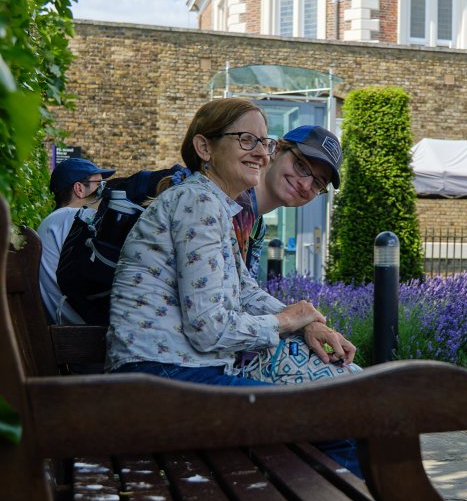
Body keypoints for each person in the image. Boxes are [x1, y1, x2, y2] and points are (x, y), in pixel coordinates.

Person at [106, 98, 358, 385]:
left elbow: (244, 292)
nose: (261, 153)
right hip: (162, 374)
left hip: (179, 370)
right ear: (205, 148)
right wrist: (287, 320)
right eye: (246, 140)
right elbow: (208, 328)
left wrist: (307, 322)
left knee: (336, 396)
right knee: (324, 403)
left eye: (263, 142)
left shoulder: (217, 205)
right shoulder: (197, 202)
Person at [232, 124, 342, 278]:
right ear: (276, 150)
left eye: (317, 183)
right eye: (301, 166)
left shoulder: (257, 225)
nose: (305, 185)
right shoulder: (232, 205)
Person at [37, 157, 115, 323]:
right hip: (80, 327)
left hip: (63, 322)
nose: (104, 191)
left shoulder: (53, 221)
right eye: (100, 185)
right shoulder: (75, 217)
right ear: (79, 189)